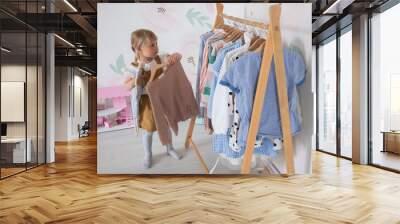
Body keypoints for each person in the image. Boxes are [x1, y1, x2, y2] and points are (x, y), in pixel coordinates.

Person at [124, 29, 182, 169]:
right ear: (138, 49)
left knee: (166, 126)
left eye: (156, 43)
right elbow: (126, 86)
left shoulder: (160, 58)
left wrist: (175, 56)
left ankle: (169, 148)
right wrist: (135, 78)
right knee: (148, 130)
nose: (156, 47)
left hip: (162, 98)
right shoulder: (132, 67)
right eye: (151, 45)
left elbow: (177, 55)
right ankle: (148, 154)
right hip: (147, 103)